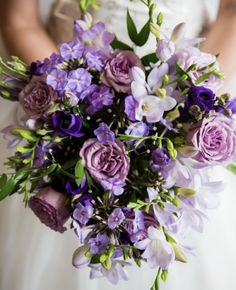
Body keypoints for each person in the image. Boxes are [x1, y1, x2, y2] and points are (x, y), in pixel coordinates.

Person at [0, 1, 236, 290]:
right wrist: (77, 107)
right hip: (66, 121)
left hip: (181, 130)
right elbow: (19, 22)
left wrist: (185, 111)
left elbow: (232, 15)